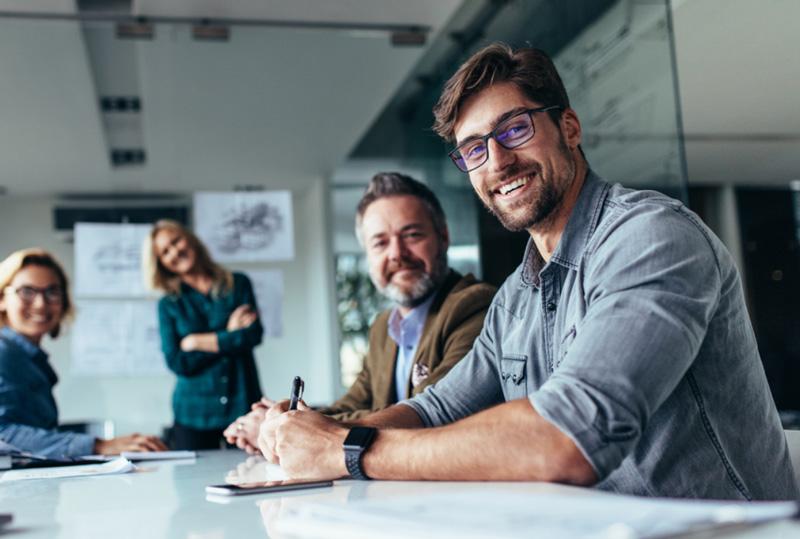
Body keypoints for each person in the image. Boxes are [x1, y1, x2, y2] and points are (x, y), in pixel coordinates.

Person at [257, 43, 798, 500]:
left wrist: (347, 451)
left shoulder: (650, 237)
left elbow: (569, 437)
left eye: (514, 129)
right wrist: (317, 433)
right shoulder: (517, 295)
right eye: (473, 149)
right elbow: (436, 408)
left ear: (569, 126)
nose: (496, 161)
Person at [223, 173, 495, 453]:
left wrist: (285, 427)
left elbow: (431, 411)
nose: (396, 254)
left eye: (412, 235)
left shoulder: (473, 306)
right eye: (380, 243)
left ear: (443, 237)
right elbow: (354, 404)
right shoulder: (383, 327)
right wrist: (288, 418)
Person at [0, 248, 167, 457]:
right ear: (2, 298)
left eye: (52, 292)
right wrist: (98, 446)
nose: (41, 303)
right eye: (26, 291)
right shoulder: (4, 354)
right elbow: (3, 434)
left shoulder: (29, 357)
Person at [145, 220, 263, 450]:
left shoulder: (238, 284)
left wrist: (197, 341)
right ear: (161, 263)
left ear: (189, 238)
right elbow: (178, 362)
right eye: (165, 252)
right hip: (193, 414)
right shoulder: (169, 304)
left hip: (242, 404)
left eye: (176, 241)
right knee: (190, 484)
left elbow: (252, 336)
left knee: (252, 476)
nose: (175, 251)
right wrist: (229, 334)